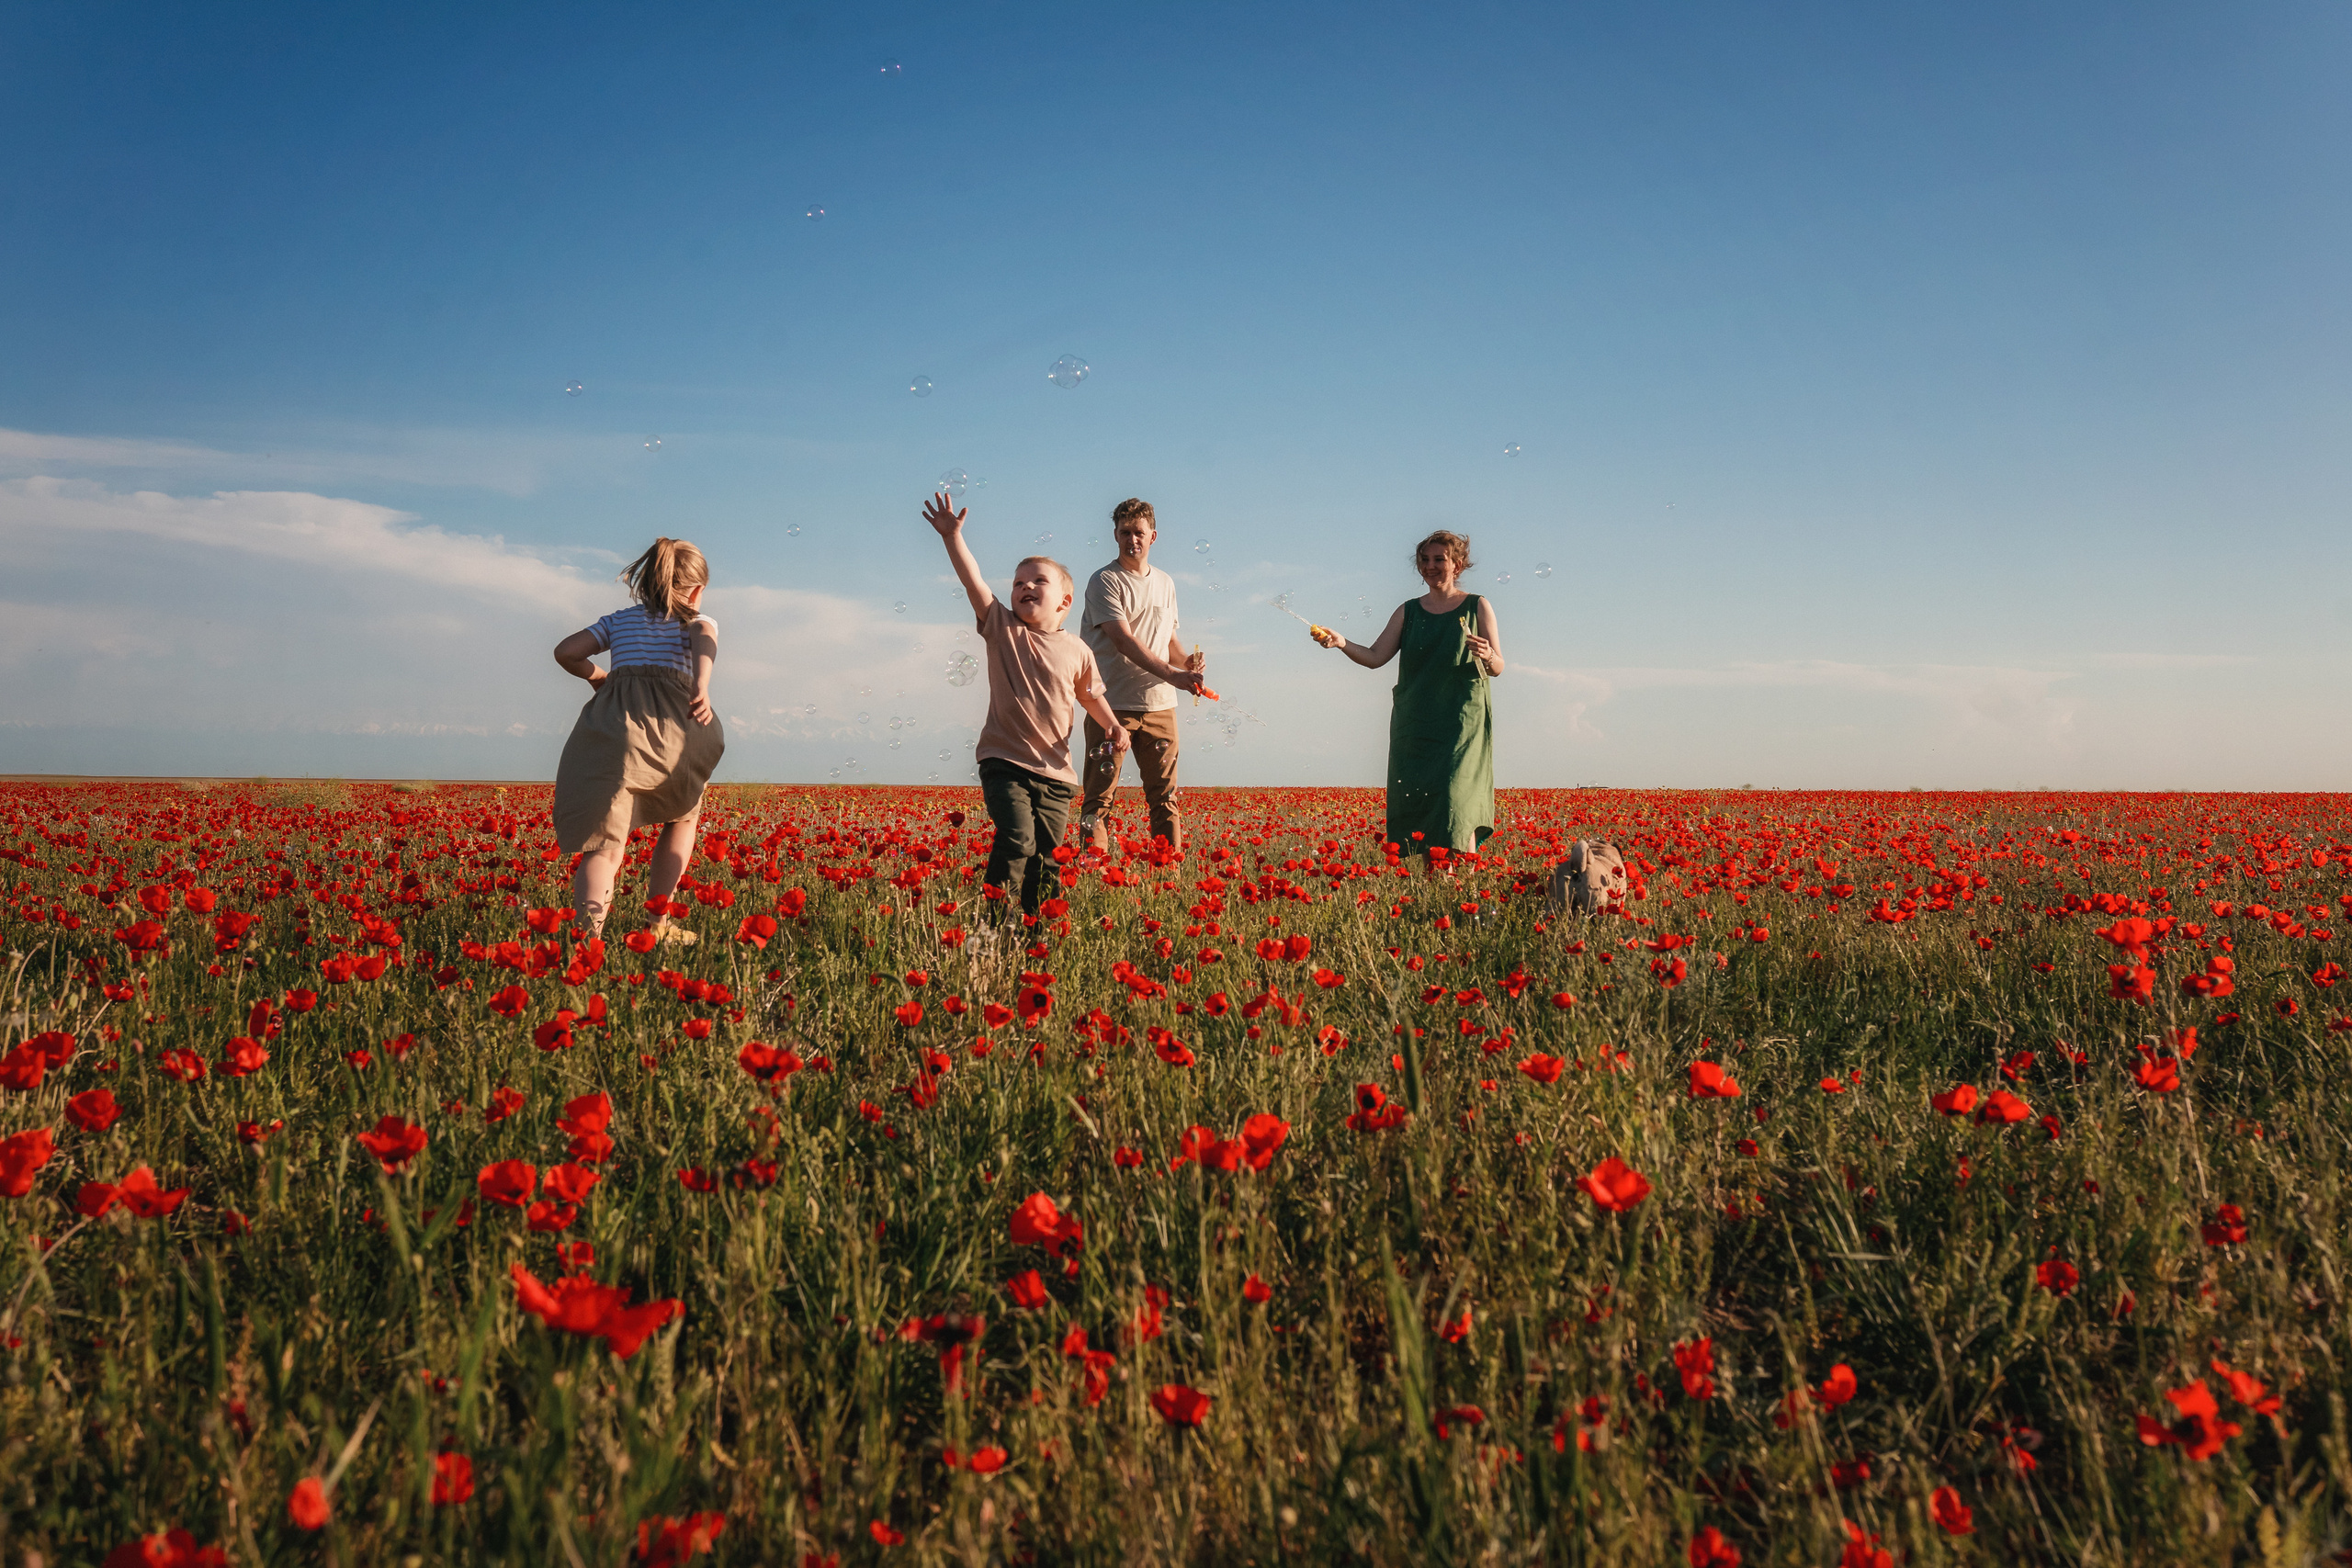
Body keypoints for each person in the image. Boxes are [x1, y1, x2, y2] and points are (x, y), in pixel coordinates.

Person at [925, 490, 1129, 920]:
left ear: (1065, 602)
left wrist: (1113, 726)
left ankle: (1037, 929)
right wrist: (952, 538)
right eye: (1018, 582)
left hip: (1056, 772)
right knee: (1017, 838)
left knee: (1050, 856)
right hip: (1004, 761)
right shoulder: (1002, 628)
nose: (1025, 587)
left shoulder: (1078, 650)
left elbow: (1090, 695)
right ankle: (993, 922)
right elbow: (973, 581)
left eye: (1038, 581)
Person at [550, 538, 724, 945]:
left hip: (614, 733)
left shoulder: (618, 622)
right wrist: (701, 683)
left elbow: (566, 652)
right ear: (697, 591)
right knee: (681, 817)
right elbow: (704, 637)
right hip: (672, 731)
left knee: (605, 845)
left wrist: (601, 679)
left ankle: (586, 944)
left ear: (646, 584)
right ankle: (658, 923)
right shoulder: (698, 619)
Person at [1311, 530, 1502, 862]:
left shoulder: (1477, 606)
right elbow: (1374, 657)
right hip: (1415, 721)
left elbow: (1498, 666)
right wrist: (1341, 643)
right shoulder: (1408, 611)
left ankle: (1463, 883)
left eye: (1439, 559)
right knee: (1426, 799)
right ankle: (1436, 884)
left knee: (1457, 797)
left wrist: (1487, 655)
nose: (1430, 566)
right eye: (1424, 560)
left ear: (1457, 564)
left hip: (1462, 719)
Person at [1077, 497, 1207, 852]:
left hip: (1160, 707)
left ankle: (1168, 873)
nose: (1131, 539)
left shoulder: (1165, 582)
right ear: (1115, 536)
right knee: (1099, 799)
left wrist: (1187, 664)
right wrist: (1172, 674)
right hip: (1111, 704)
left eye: (1138, 532)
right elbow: (1123, 640)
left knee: (1165, 798)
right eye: (1124, 532)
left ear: (1153, 537)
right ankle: (1092, 875)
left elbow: (1171, 642)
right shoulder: (1104, 580)